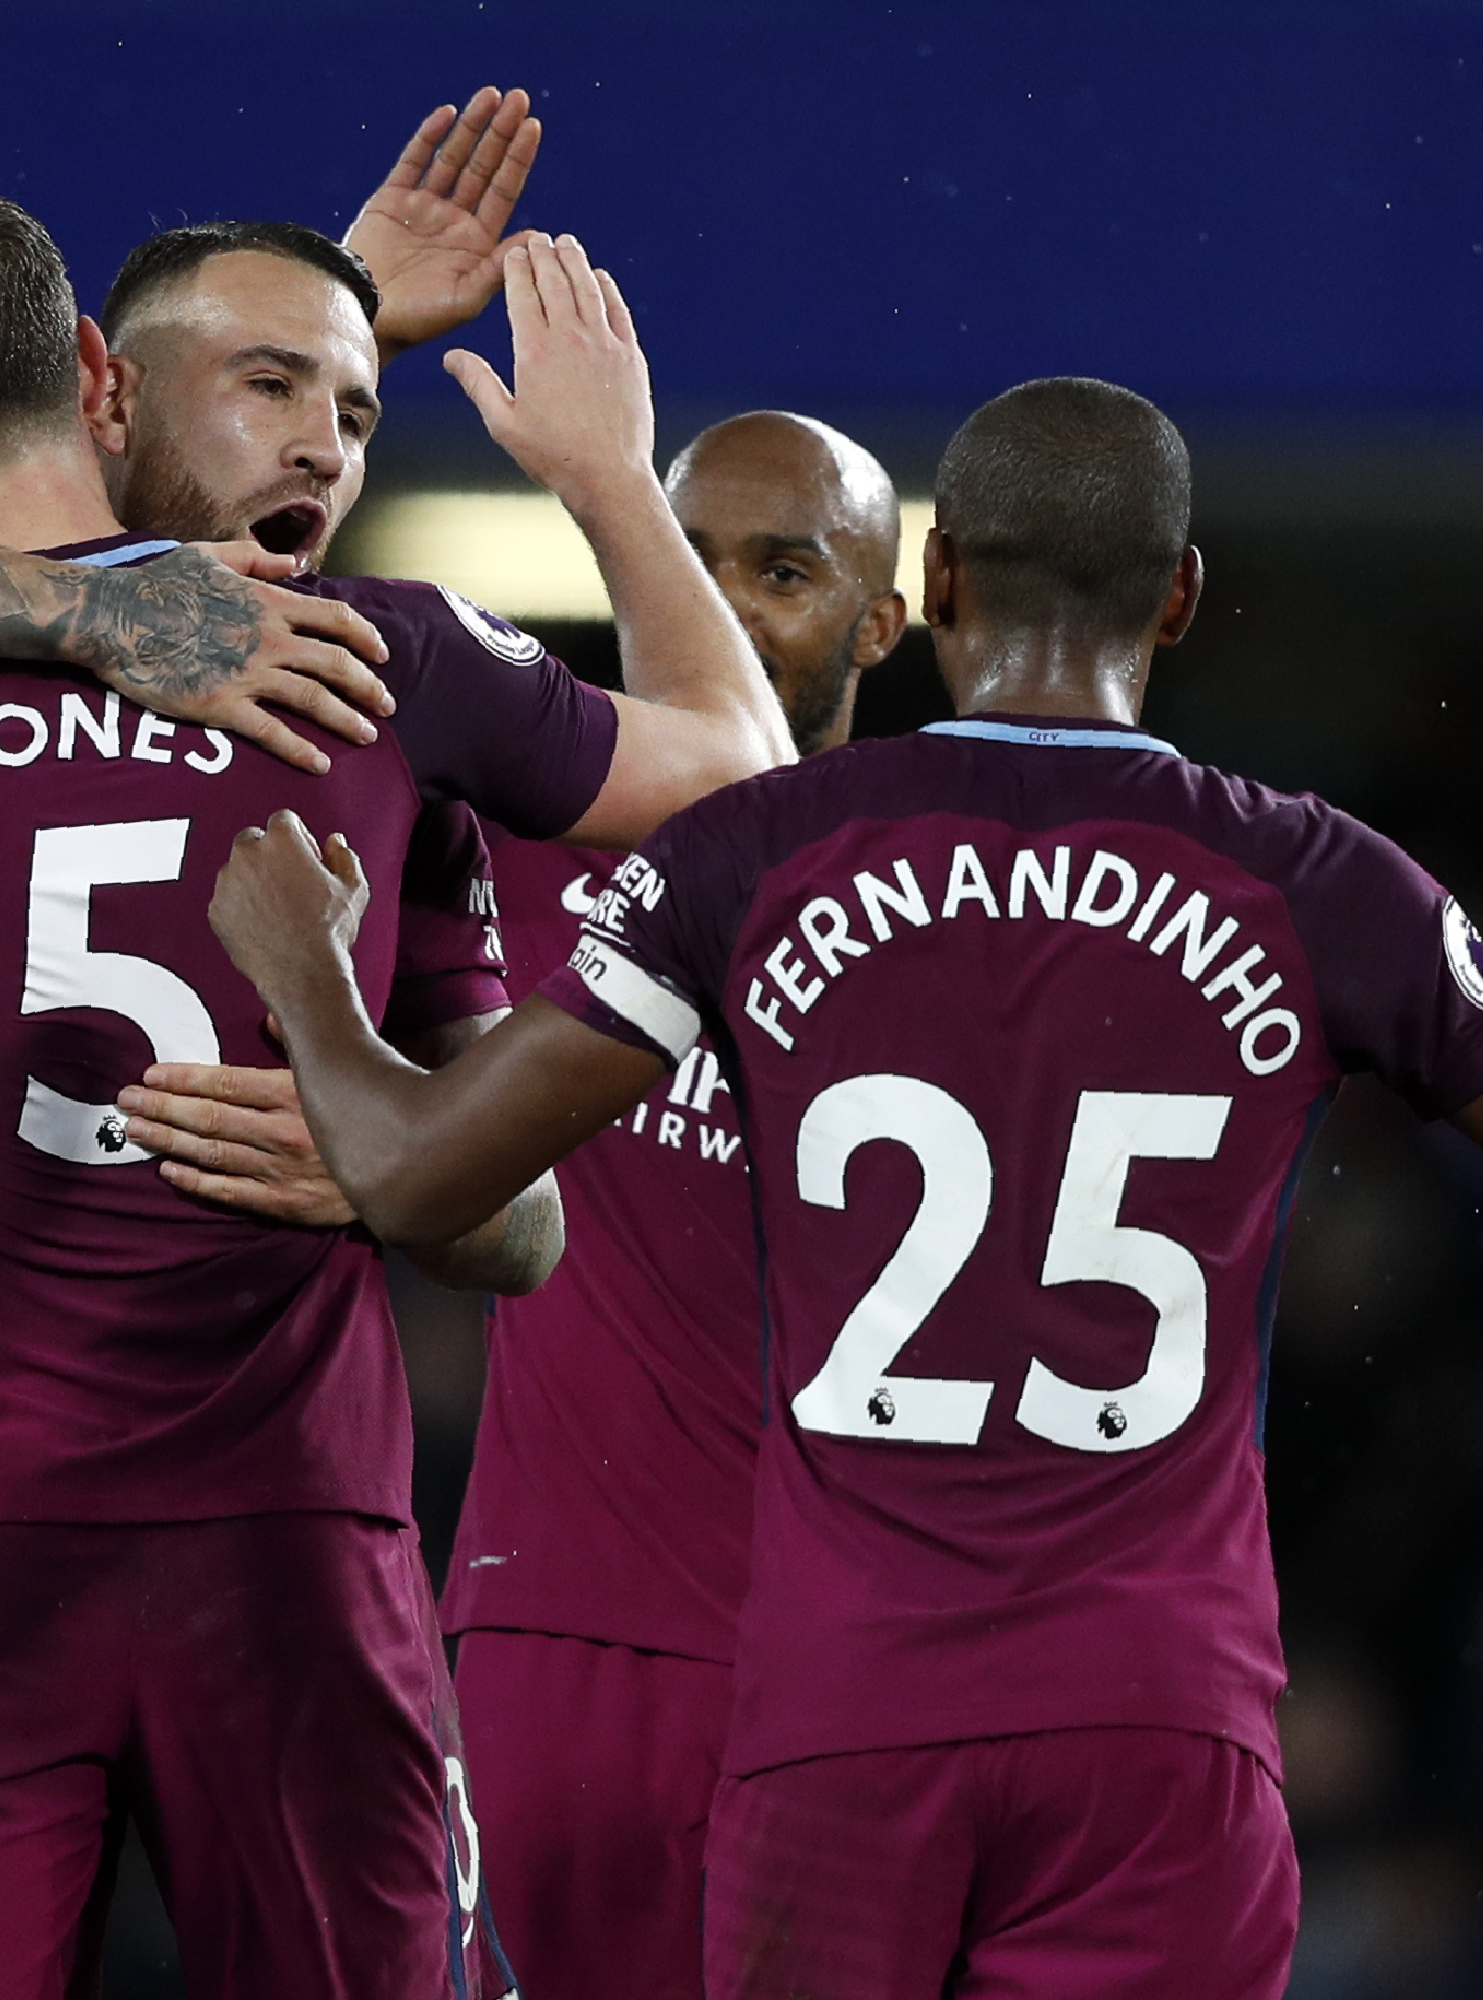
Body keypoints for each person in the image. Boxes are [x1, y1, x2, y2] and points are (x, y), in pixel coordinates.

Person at [200, 376, 1483, 2000]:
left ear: (927, 589)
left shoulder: (752, 855)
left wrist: (309, 979)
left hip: (848, 1709)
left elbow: (418, 1174)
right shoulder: (1319, 879)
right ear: (1182, 595)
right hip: (1159, 1716)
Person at [0, 179, 763, 2000]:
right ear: (99, 382)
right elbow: (741, 789)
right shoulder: (377, 672)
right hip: (291, 1542)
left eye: (349, 406)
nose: (324, 442)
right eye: (274, 388)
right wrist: (609, 480)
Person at [113, 409, 910, 1999]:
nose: (724, 607)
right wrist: (361, 1155)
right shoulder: (514, 852)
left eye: (784, 572)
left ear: (885, 622)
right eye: (686, 558)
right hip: (574, 1635)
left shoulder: (954, 911)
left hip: (884, 1659)